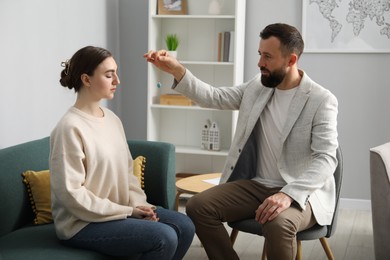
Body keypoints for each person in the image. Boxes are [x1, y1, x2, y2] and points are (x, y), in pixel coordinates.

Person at [144, 23, 338, 260]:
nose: (260, 63)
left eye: (268, 57)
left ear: (291, 60)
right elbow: (214, 97)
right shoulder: (258, 86)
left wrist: (288, 194)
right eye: (260, 54)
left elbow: (326, 158)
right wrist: (176, 70)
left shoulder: (321, 99)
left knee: (278, 224)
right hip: (256, 185)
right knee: (197, 206)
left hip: (300, 192)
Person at [50, 46, 195, 260]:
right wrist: (128, 212)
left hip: (120, 211)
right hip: (82, 223)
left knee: (184, 225)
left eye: (116, 73)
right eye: (109, 75)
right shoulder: (69, 128)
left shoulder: (111, 119)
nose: (117, 80)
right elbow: (72, 195)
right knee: (164, 237)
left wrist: (140, 206)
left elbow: (128, 173)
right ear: (86, 79)